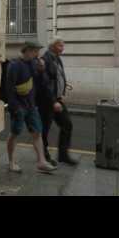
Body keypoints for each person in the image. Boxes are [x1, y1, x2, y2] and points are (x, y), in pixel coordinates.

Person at [5, 41, 57, 174]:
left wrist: (41, 70)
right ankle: (11, 162)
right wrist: (15, 107)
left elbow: (42, 82)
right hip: (19, 106)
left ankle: (41, 161)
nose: (37, 54)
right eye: (35, 51)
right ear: (27, 50)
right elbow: (9, 89)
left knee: (37, 132)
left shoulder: (34, 63)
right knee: (15, 133)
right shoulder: (14, 65)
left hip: (31, 105)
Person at [39, 38, 79, 166]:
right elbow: (44, 84)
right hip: (48, 101)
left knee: (67, 124)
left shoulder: (57, 58)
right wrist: (53, 102)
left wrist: (62, 91)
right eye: (60, 45)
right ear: (53, 46)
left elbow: (57, 77)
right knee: (45, 129)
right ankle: (44, 157)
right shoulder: (45, 59)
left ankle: (63, 155)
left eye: (63, 45)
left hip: (57, 99)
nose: (63, 48)